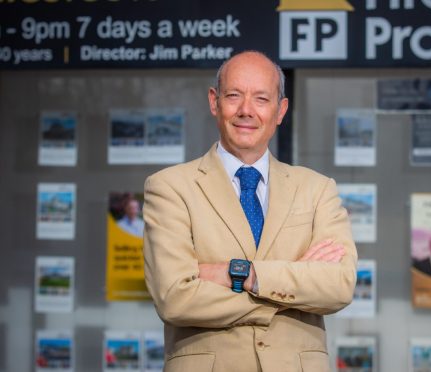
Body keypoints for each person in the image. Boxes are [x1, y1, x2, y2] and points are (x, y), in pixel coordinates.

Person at [142, 50, 357, 372]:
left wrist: (243, 274)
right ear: (214, 102)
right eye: (234, 96)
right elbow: (175, 297)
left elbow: (338, 285)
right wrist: (288, 290)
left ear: (280, 110)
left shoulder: (317, 189)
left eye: (261, 99)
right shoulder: (170, 187)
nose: (246, 111)